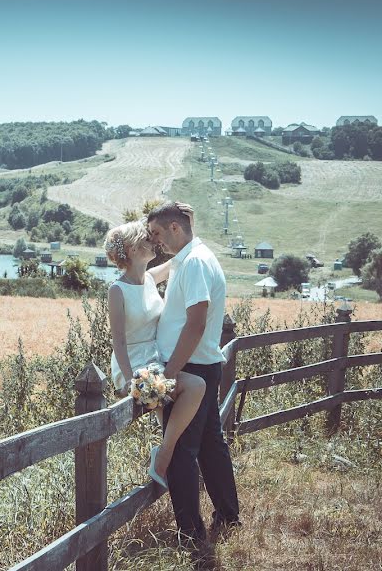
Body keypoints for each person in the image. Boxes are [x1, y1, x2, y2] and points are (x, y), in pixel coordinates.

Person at [146, 200, 240, 545]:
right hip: (200, 363)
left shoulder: (196, 263)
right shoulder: (188, 257)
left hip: (192, 366)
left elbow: (196, 323)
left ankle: (189, 532)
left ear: (174, 228)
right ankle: (228, 514)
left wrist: (170, 374)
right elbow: (154, 272)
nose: (155, 241)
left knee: (184, 449)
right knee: (210, 443)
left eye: (157, 233)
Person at [104, 208, 206, 491]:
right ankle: (166, 458)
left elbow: (180, 259)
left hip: (155, 358)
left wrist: (183, 221)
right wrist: (129, 380)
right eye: (148, 240)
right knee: (194, 386)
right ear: (134, 249)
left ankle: (165, 457)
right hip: (135, 363)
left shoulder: (149, 278)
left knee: (189, 394)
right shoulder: (117, 290)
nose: (154, 243)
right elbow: (119, 342)